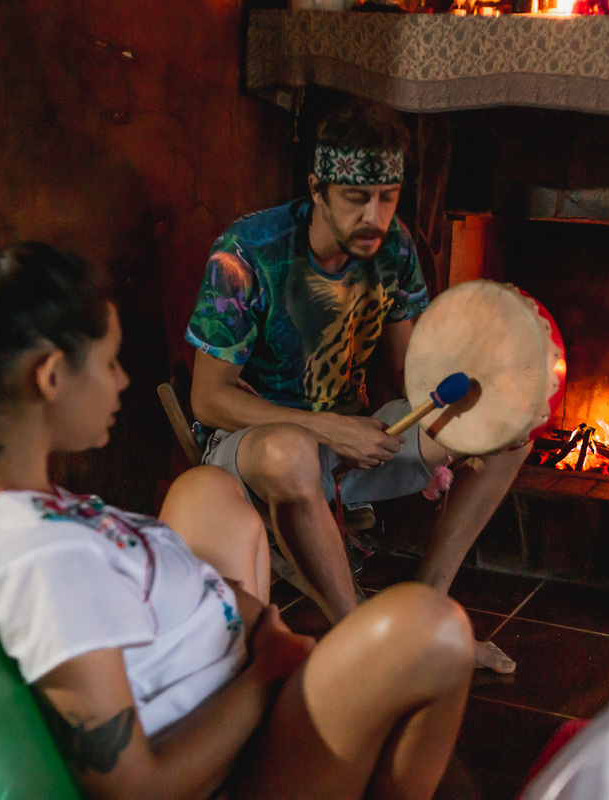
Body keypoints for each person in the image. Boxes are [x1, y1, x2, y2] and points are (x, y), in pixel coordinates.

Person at [0, 231, 475, 800]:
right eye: (108, 363)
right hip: (231, 755)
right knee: (435, 630)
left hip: (212, 657)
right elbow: (137, 789)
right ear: (51, 377)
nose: (123, 381)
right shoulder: (49, 566)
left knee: (205, 486)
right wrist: (264, 673)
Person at [186, 100, 528, 673]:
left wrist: (479, 370)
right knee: (292, 450)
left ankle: (425, 610)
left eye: (388, 197)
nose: (375, 215)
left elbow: (406, 378)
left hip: (356, 439)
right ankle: (364, 639)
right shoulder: (248, 251)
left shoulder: (394, 248)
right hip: (251, 451)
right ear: (317, 189)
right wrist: (329, 427)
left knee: (507, 430)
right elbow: (208, 399)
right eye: (356, 198)